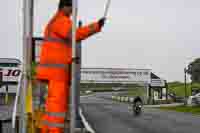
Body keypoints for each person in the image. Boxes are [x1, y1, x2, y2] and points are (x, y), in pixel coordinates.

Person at [36, 0, 106, 132]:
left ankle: (46, 130)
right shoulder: (62, 21)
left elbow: (62, 46)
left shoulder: (54, 21)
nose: (73, 11)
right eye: (71, 8)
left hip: (52, 73)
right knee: (58, 108)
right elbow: (76, 35)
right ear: (64, 7)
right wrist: (96, 26)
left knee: (51, 108)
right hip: (57, 74)